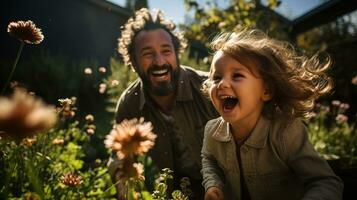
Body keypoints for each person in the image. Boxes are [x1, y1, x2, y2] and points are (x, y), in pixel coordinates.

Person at [201, 28, 344, 200]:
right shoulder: (212, 131)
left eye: (237, 75)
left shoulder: (285, 132)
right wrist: (213, 184)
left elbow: (325, 181)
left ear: (266, 91)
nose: (222, 84)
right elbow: (209, 159)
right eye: (216, 78)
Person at [108, 8, 218, 199]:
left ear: (177, 54)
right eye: (148, 53)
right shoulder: (129, 105)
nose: (159, 61)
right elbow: (119, 158)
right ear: (133, 62)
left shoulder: (209, 88)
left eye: (166, 51)